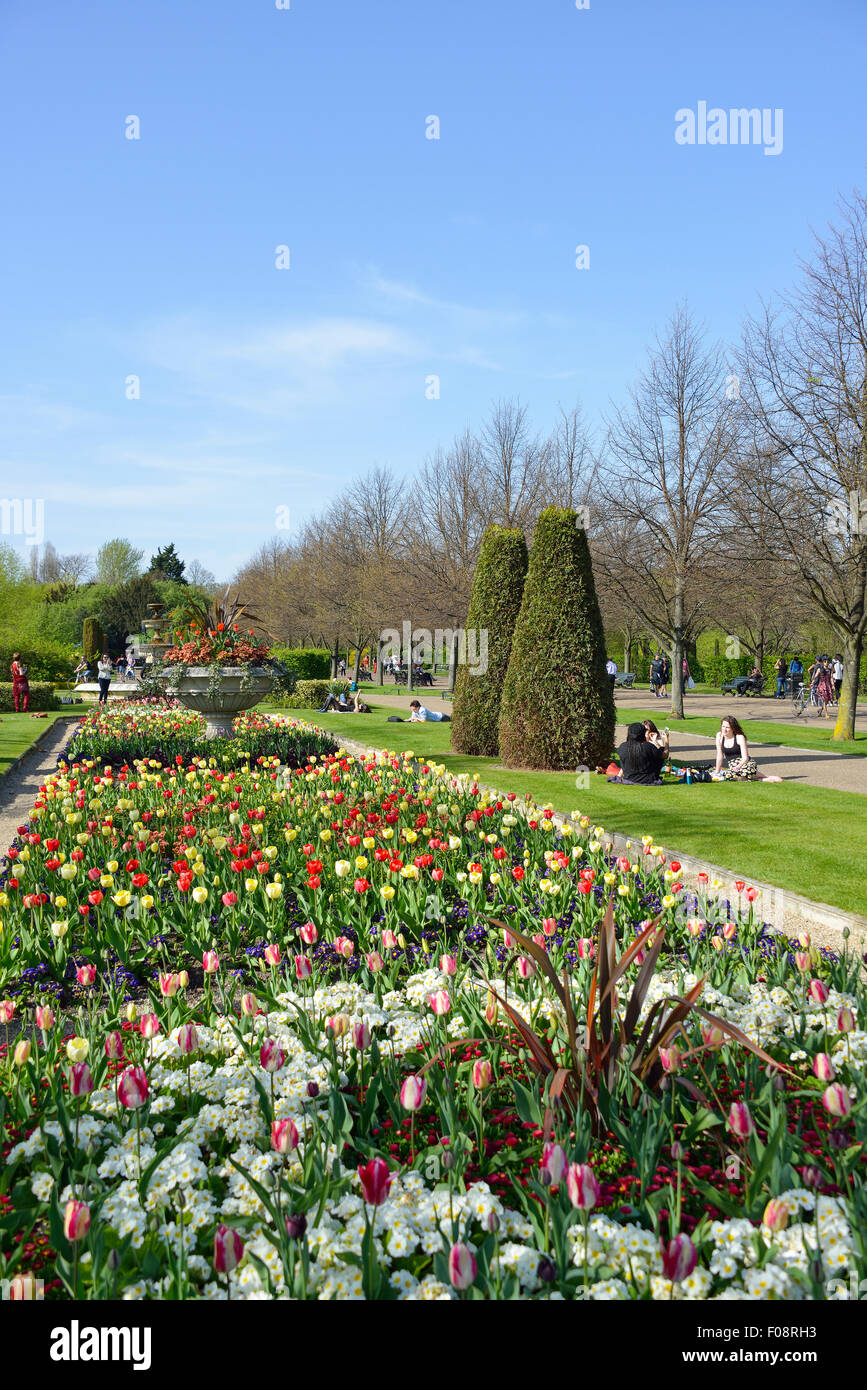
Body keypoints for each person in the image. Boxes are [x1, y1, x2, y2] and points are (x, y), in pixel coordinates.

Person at [714, 715, 781, 781]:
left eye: (727, 727)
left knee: (744, 772)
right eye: (723, 726)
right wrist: (717, 771)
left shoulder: (739, 737)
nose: (724, 729)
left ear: (733, 728)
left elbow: (745, 758)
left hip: (745, 763)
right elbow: (720, 755)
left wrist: (738, 766)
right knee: (731, 776)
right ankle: (763, 779)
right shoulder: (719, 736)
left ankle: (765, 777)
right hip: (733, 765)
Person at [615, 721, 669, 785]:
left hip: (629, 778)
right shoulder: (648, 746)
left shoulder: (622, 746)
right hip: (648, 779)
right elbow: (665, 755)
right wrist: (666, 740)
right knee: (659, 755)